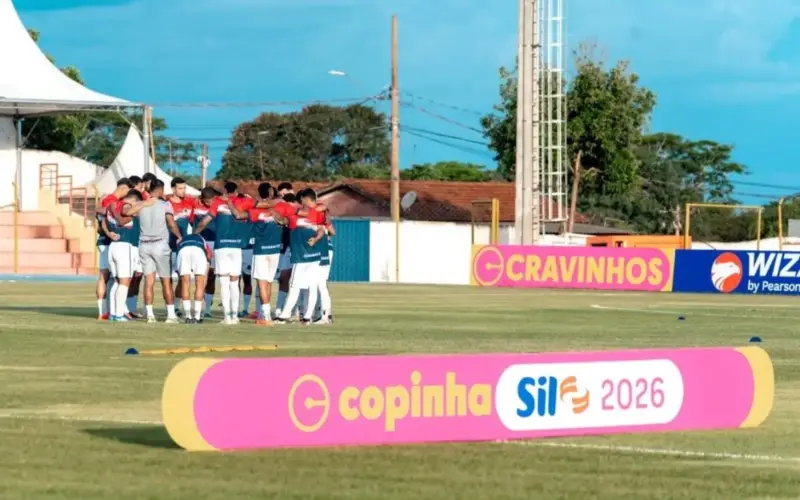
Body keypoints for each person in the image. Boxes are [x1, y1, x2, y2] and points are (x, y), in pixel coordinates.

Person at [193, 183, 254, 324]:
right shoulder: (241, 202)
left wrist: (193, 234)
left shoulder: (217, 204)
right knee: (234, 281)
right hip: (237, 247)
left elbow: (204, 223)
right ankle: (235, 316)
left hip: (222, 247)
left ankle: (227, 316)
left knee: (224, 282)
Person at [274, 188, 326, 325]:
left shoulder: (300, 213)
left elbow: (283, 221)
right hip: (312, 255)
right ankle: (307, 317)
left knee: (295, 286)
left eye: (301, 199)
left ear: (304, 199)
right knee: (311, 286)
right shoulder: (316, 213)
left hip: (302, 256)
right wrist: (316, 239)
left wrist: (275, 213)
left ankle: (285, 316)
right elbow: (321, 230)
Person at [136, 179, 183, 323]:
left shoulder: (141, 205)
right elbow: (171, 223)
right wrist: (179, 236)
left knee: (148, 281)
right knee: (166, 281)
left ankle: (149, 315)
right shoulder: (165, 204)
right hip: (159, 244)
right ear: (160, 190)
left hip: (144, 244)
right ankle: (170, 315)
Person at [106, 190, 153, 321]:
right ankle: (119, 314)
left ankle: (113, 313)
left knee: (117, 281)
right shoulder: (126, 207)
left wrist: (108, 232)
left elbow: (102, 218)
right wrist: (143, 204)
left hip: (114, 246)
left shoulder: (113, 205)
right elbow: (123, 219)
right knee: (124, 281)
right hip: (124, 246)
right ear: (133, 201)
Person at [95, 178, 133, 320]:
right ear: (123, 188)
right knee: (108, 277)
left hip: (107, 240)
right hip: (108, 241)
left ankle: (108, 312)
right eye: (128, 191)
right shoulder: (111, 200)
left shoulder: (108, 200)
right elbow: (104, 216)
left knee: (111, 278)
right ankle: (106, 311)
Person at [248, 183, 286, 325]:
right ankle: (266, 314)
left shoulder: (254, 210)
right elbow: (284, 221)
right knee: (269, 282)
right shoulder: (280, 207)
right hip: (275, 250)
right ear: (271, 192)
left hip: (261, 250)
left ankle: (266, 316)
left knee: (262, 283)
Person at [191, 187, 221, 318]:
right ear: (201, 199)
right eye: (206, 201)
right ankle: (199, 306)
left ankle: (207, 308)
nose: (209, 203)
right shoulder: (194, 203)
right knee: (201, 276)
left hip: (215, 242)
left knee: (212, 276)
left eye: (211, 200)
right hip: (200, 243)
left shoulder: (219, 205)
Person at [167, 177, 195, 305]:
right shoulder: (166, 203)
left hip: (182, 248)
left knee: (182, 278)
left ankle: (177, 307)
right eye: (180, 188)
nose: (183, 191)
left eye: (184, 188)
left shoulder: (190, 203)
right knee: (166, 280)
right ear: (173, 189)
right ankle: (169, 307)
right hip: (166, 246)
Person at [175, 232, 212, 323]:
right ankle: (197, 317)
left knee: (185, 284)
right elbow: (209, 255)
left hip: (183, 251)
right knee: (199, 285)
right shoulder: (201, 238)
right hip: (198, 251)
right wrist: (205, 276)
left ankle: (188, 317)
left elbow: (178, 252)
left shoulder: (182, 239)